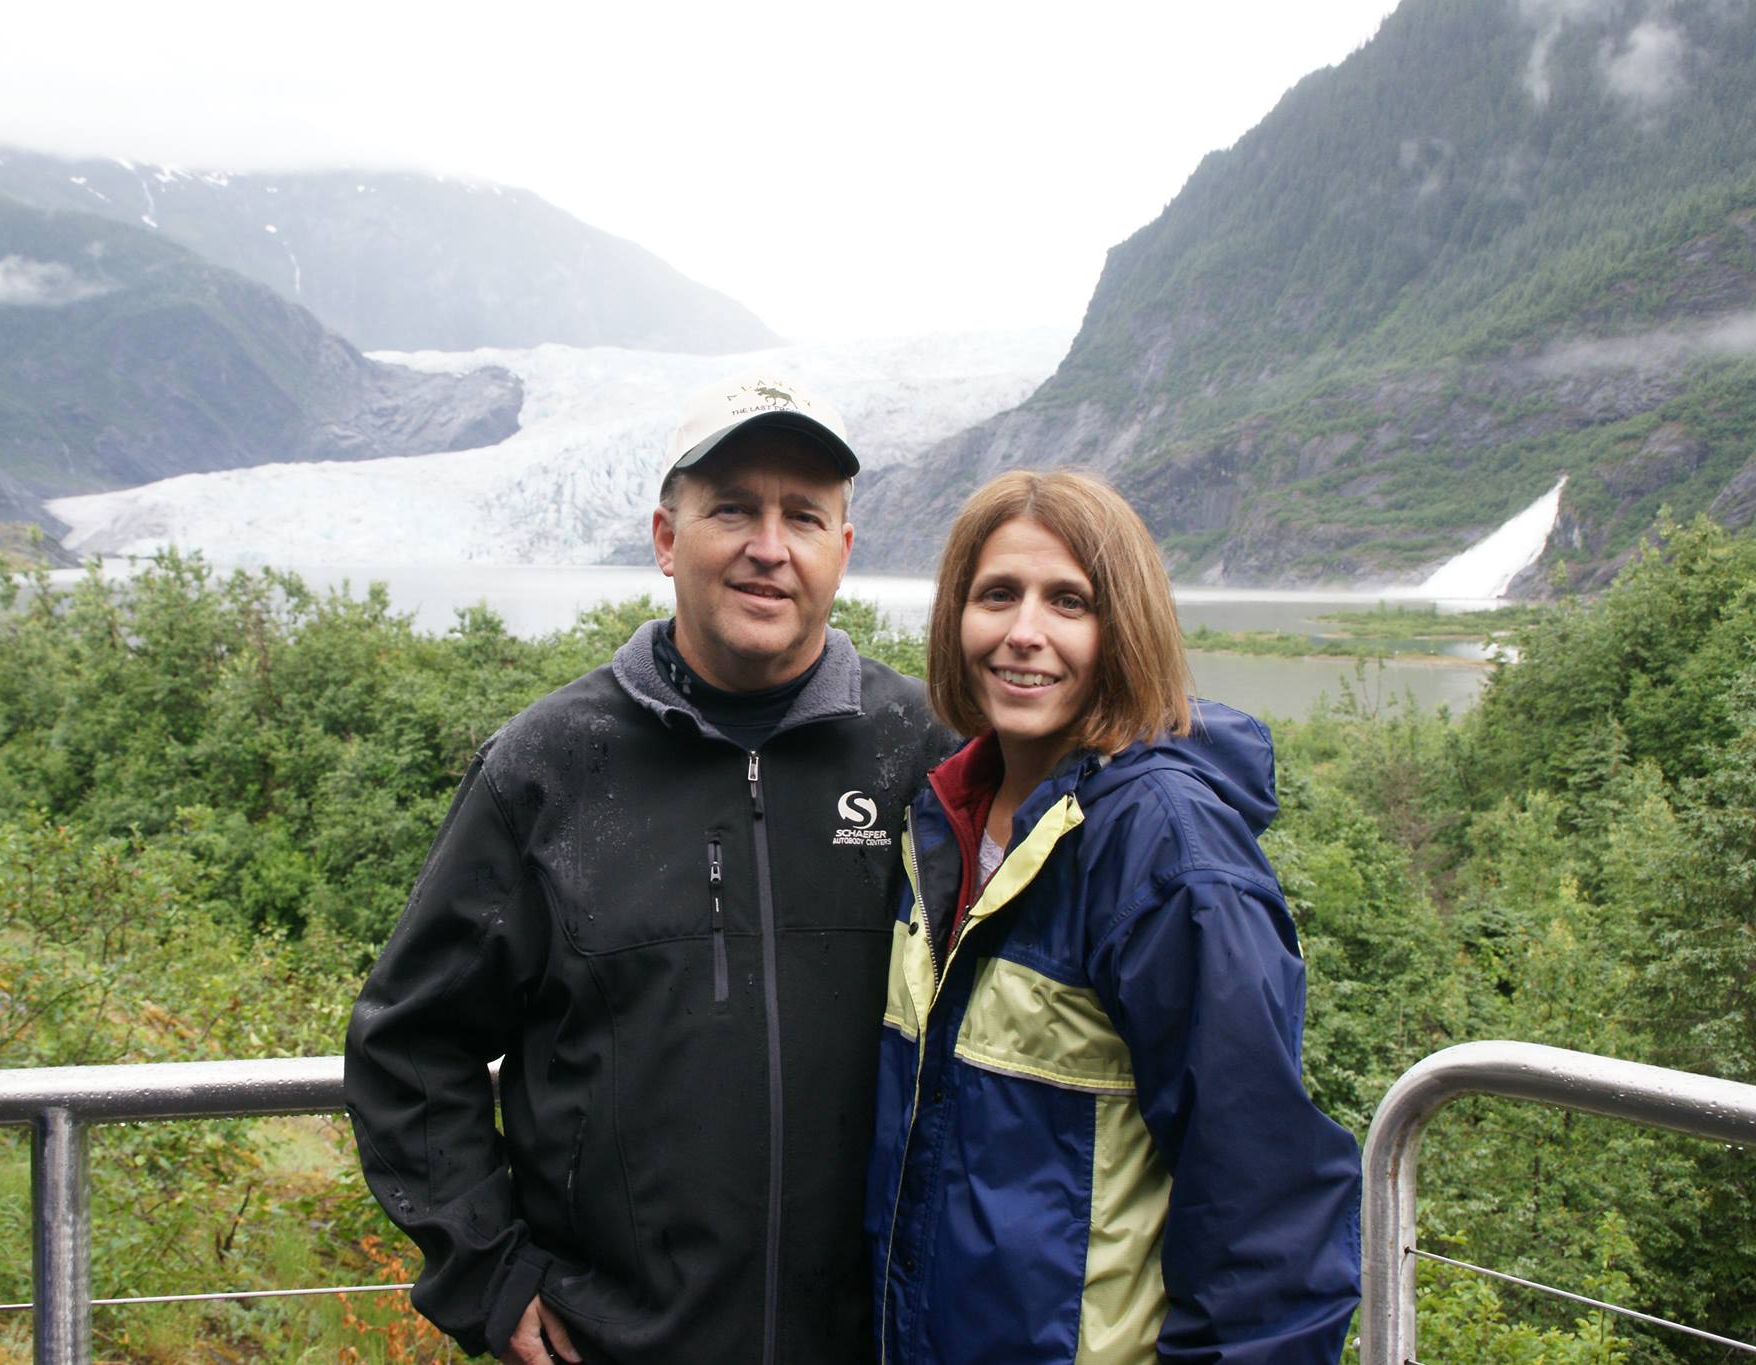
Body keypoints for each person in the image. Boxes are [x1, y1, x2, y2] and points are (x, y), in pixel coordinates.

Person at [345, 374, 955, 1365]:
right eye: (731, 510)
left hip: (869, 1343)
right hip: (615, 1344)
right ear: (667, 539)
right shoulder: (548, 767)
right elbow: (409, 1045)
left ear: (840, 552)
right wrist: (488, 1274)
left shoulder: (917, 756)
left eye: (802, 516)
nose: (768, 546)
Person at [865, 470, 1361, 1363]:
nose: (1025, 632)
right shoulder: (945, 817)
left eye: (1069, 601)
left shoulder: (1164, 848)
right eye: (997, 595)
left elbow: (1265, 1200)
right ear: (956, 618)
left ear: (1123, 626)